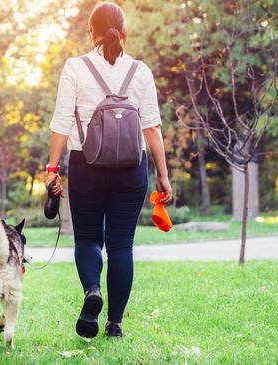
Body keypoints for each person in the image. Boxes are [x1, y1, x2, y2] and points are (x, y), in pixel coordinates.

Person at [46, 2, 173, 338]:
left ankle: (92, 291)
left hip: (86, 164)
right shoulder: (141, 72)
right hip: (132, 169)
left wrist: (52, 169)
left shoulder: (75, 68)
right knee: (121, 245)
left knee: (87, 237)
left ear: (92, 32)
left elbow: (61, 122)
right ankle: (115, 324)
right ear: (124, 32)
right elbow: (152, 127)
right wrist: (162, 173)